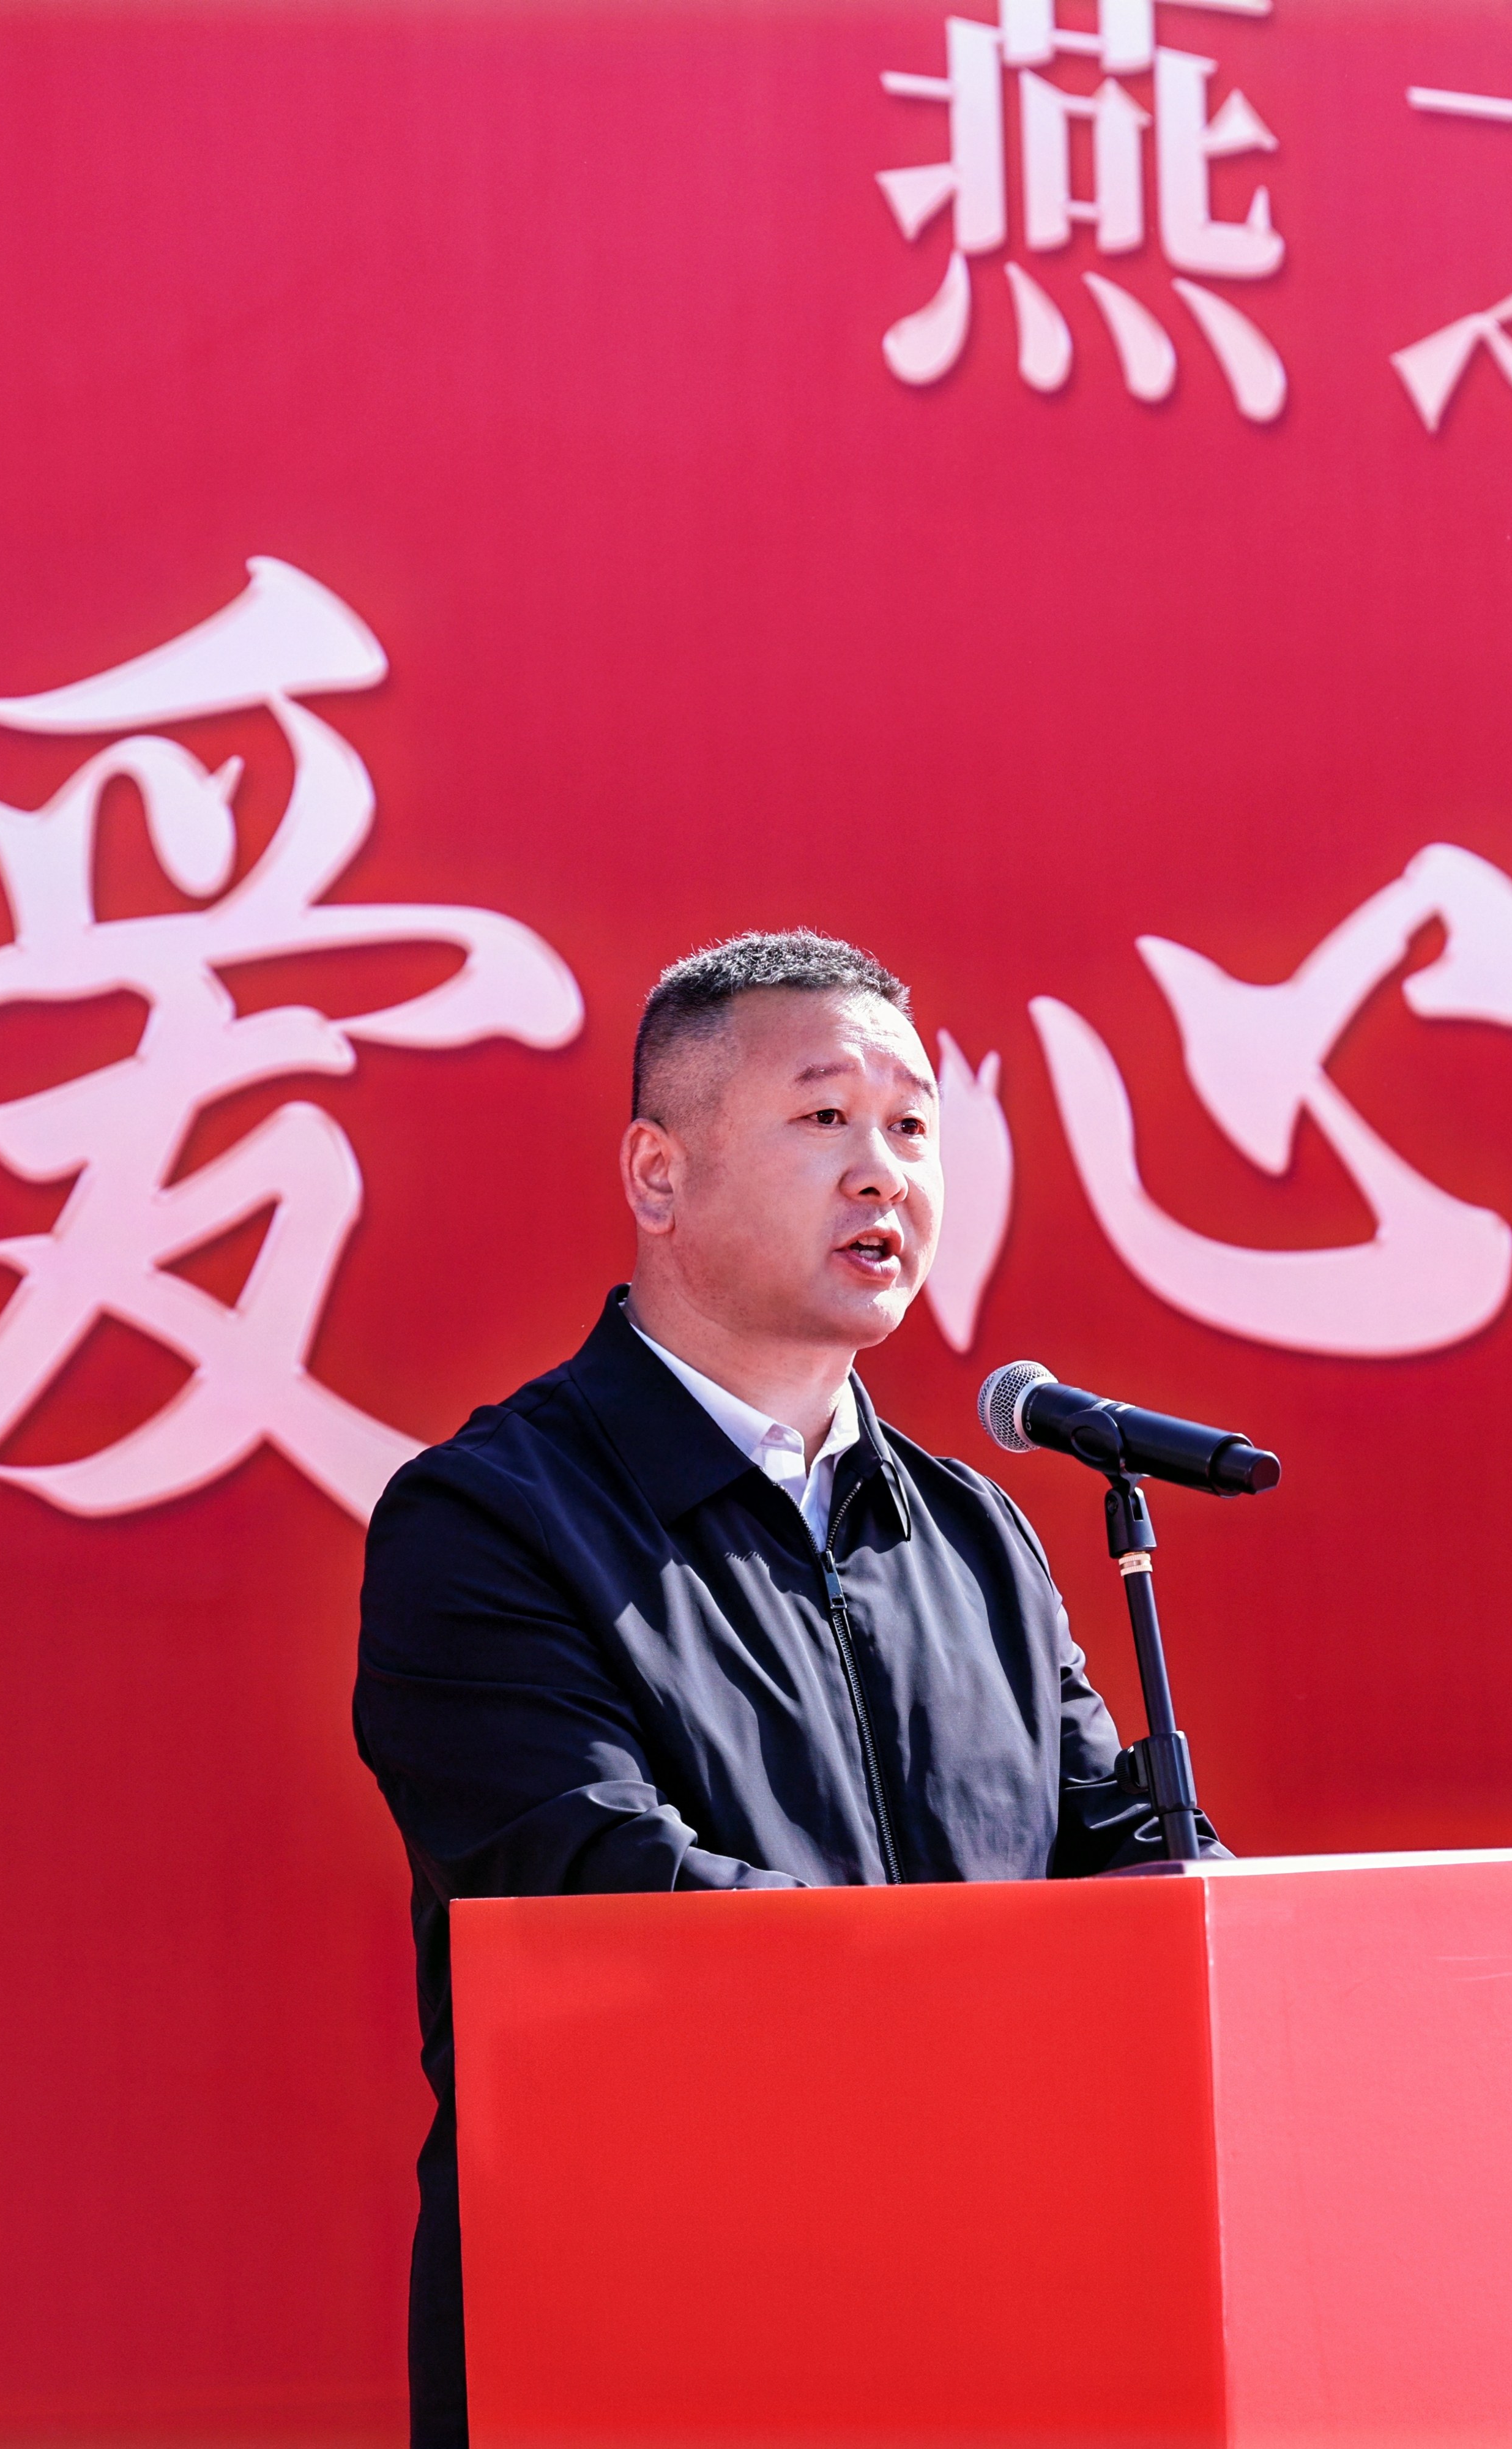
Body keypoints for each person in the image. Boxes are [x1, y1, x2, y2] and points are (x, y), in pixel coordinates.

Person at [352, 929, 1221, 2447]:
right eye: (826, 1116)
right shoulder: (490, 1520)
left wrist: (1208, 1910)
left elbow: (1107, 1853)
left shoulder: (974, 1533)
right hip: (648, 2333)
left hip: (992, 2319)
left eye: (913, 1126)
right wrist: (981, 2010)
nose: (885, 1172)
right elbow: (603, 1897)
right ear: (658, 1175)